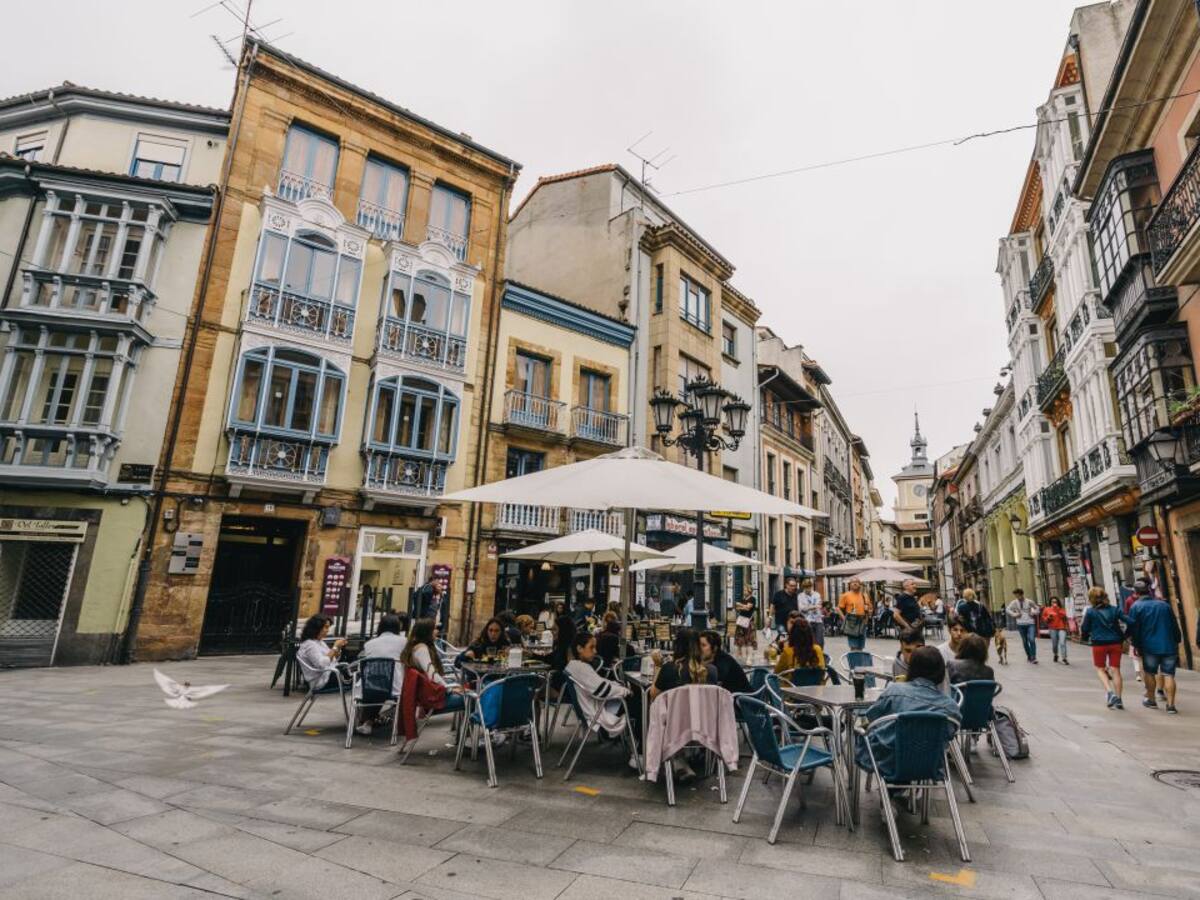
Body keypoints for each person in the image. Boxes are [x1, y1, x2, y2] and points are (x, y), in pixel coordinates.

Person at [855, 647, 961, 782]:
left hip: (889, 762)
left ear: (912, 669)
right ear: (940, 672)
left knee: (862, 732)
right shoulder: (951, 707)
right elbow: (950, 734)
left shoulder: (895, 691)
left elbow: (872, 717)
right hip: (930, 765)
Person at [564, 632, 642, 768]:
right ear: (579, 649)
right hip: (598, 716)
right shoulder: (581, 668)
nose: (595, 651)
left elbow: (600, 684)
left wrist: (618, 687)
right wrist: (625, 690)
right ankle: (640, 753)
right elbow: (601, 690)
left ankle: (640, 750)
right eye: (591, 647)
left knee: (637, 703)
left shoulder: (574, 666)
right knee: (641, 705)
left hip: (592, 711)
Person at [1126, 583, 1183, 714]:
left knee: (1150, 673)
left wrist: (1135, 643)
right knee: (1169, 675)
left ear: (1136, 593)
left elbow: (1134, 628)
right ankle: (1171, 706)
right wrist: (1177, 639)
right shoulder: (1164, 605)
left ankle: (1151, 700)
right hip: (1168, 645)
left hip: (1149, 646)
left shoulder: (1136, 606)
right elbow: (1174, 624)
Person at [400, 618, 465, 712]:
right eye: (434, 629)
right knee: (470, 699)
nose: (437, 631)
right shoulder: (422, 649)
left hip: (425, 695)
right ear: (426, 632)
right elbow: (432, 674)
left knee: (464, 691)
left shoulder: (415, 647)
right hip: (429, 699)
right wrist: (450, 689)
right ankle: (463, 727)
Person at [1079, 586, 1127, 710]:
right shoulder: (1115, 609)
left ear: (1091, 598)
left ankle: (1110, 693)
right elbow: (1130, 621)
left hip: (1099, 643)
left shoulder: (1090, 612)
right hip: (1116, 643)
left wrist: (1084, 637)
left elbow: (1085, 628)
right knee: (1115, 670)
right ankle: (1119, 699)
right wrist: (1125, 635)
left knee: (1100, 669)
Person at [649, 628, 717, 701]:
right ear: (698, 646)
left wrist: (658, 666)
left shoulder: (669, 668)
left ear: (677, 646)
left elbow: (654, 695)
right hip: (702, 712)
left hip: (675, 712)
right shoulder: (712, 670)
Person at [296, 615, 346, 690]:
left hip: (329, 674)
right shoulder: (309, 645)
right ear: (317, 628)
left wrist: (337, 649)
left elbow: (332, 658)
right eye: (326, 627)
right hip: (321, 681)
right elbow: (321, 664)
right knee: (358, 673)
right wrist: (335, 647)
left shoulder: (319, 642)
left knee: (356, 669)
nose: (328, 630)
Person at [773, 618, 826, 683]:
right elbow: (822, 672)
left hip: (791, 689)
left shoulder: (788, 651)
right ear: (810, 634)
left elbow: (777, 673)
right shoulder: (817, 649)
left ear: (793, 634)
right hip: (816, 688)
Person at [1006, 588, 1040, 664]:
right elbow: (1008, 609)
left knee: (1031, 639)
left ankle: (1033, 657)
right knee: (1025, 641)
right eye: (1016, 596)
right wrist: (1015, 615)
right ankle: (1029, 656)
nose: (1017, 597)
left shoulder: (1029, 601)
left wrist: (1033, 613)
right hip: (1020, 624)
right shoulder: (1014, 602)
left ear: (1022, 594)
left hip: (1030, 623)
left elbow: (1037, 608)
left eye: (1018, 596)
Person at [838, 578, 870, 650]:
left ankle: (858, 661)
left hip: (862, 622)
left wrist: (867, 619)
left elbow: (869, 608)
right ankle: (853, 661)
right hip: (852, 622)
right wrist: (844, 619)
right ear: (850, 584)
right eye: (853, 582)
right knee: (853, 646)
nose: (855, 583)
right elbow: (839, 609)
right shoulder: (845, 595)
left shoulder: (865, 595)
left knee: (861, 647)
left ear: (860, 584)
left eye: (857, 582)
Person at [797, 578, 826, 647]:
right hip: (807, 621)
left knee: (820, 641)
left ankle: (819, 655)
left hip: (818, 620)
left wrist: (809, 607)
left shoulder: (817, 594)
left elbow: (818, 605)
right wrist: (814, 607)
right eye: (806, 587)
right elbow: (801, 608)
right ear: (803, 587)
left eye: (809, 586)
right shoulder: (800, 596)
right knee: (809, 641)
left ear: (811, 586)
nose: (808, 589)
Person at [733, 586, 758, 661]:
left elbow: (748, 608)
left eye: (745, 590)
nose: (744, 591)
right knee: (739, 639)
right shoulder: (743, 599)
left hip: (749, 621)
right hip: (741, 620)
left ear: (749, 590)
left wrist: (740, 605)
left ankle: (749, 657)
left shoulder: (752, 599)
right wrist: (743, 607)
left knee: (749, 639)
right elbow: (737, 608)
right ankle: (738, 657)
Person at [1042, 598, 1069, 665]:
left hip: (1061, 628)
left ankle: (1064, 658)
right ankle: (1056, 654)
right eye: (1052, 602)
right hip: (1052, 628)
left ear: (1058, 602)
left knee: (1062, 643)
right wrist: (1048, 617)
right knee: (1054, 644)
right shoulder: (1047, 609)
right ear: (1050, 602)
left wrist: (1057, 609)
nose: (1054, 603)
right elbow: (1044, 618)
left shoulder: (1061, 609)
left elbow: (1063, 616)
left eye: (1055, 602)